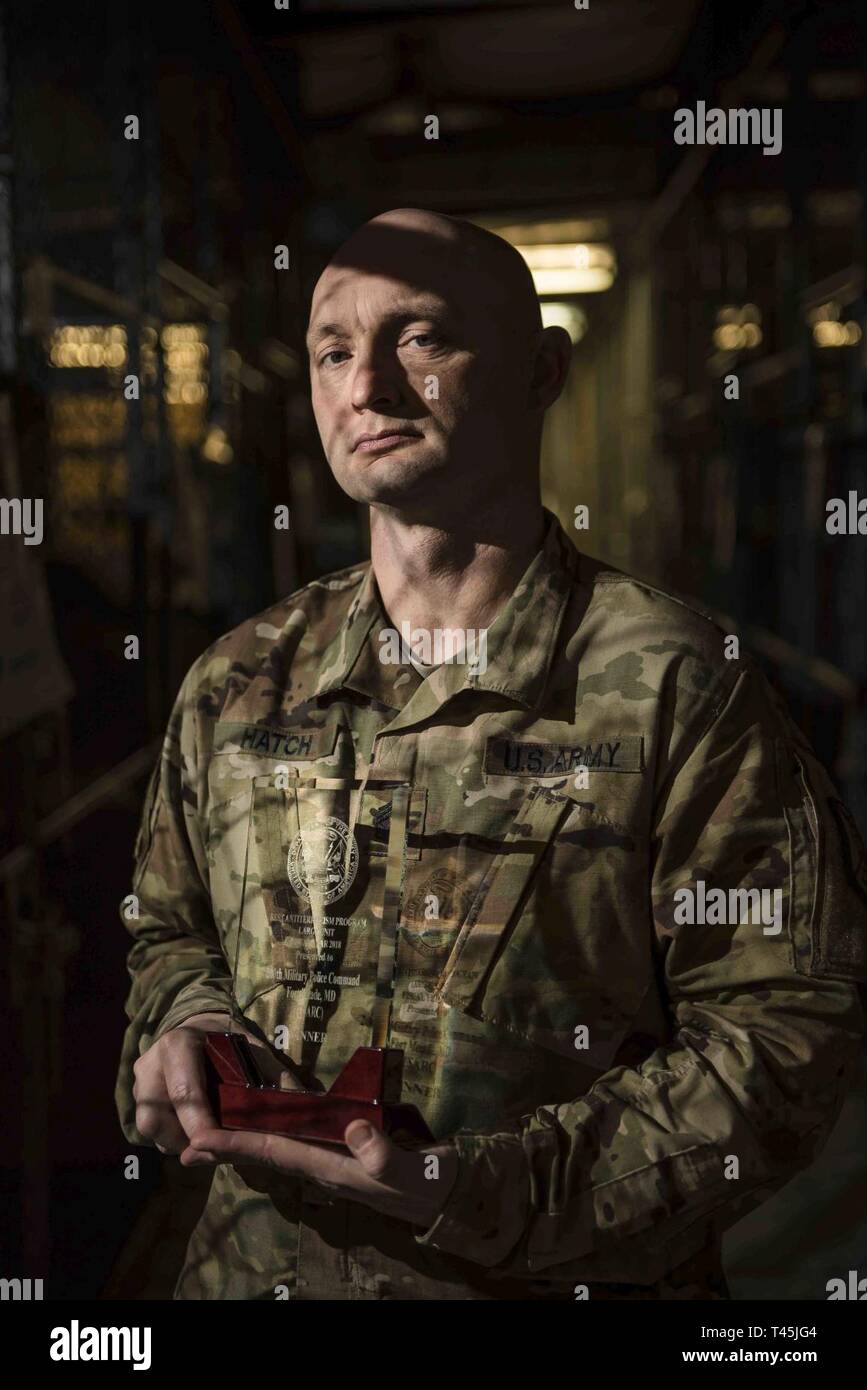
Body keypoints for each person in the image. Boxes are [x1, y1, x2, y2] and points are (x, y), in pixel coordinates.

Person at [116, 208, 867, 1300]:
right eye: (333, 351)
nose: (366, 385)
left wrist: (482, 1191)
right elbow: (168, 925)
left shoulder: (677, 687)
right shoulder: (239, 682)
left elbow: (787, 1027)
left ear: (541, 370)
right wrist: (186, 1022)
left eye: (421, 337)